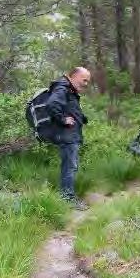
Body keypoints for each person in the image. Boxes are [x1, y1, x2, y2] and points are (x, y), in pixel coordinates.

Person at [45, 67, 91, 209]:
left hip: (71, 135)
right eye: (84, 80)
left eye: (88, 81)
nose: (86, 84)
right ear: (75, 76)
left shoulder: (69, 90)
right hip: (67, 136)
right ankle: (67, 199)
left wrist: (81, 118)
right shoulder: (63, 87)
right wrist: (63, 120)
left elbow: (69, 108)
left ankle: (67, 197)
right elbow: (52, 105)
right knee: (70, 167)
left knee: (70, 166)